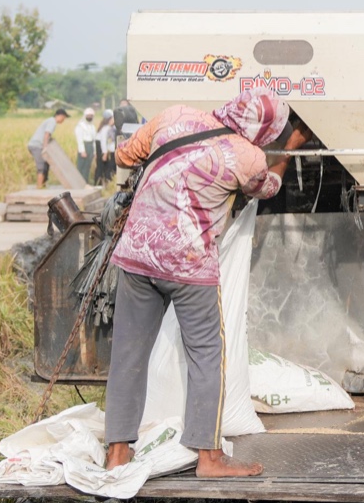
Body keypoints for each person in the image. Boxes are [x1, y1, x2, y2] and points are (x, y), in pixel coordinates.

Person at [102, 91, 308, 478]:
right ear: (263, 132)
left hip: (137, 256)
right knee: (206, 357)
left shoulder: (173, 113)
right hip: (188, 267)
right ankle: (209, 459)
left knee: (128, 353)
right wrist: (290, 148)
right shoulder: (249, 157)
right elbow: (267, 188)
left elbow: (124, 156)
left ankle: (117, 453)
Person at [26, 108, 69, 189]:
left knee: (46, 165)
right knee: (41, 167)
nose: (64, 120)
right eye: (64, 118)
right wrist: (45, 148)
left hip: (38, 145)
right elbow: (46, 134)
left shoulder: (51, 121)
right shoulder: (52, 121)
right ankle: (39, 188)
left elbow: (48, 136)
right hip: (36, 146)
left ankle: (43, 186)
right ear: (60, 116)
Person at [74, 108, 97, 183]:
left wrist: (94, 152)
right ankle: (79, 182)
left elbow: (94, 140)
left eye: (91, 115)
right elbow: (79, 140)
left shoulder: (92, 126)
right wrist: (82, 151)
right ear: (85, 116)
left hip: (90, 146)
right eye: (88, 115)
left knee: (88, 166)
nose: (90, 117)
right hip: (84, 146)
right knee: (81, 166)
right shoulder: (80, 126)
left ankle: (85, 182)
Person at [94, 110, 116, 185]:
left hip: (105, 149)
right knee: (101, 166)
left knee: (105, 166)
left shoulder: (109, 127)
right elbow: (104, 141)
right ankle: (99, 183)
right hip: (103, 149)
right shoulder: (106, 128)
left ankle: (102, 182)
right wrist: (105, 153)